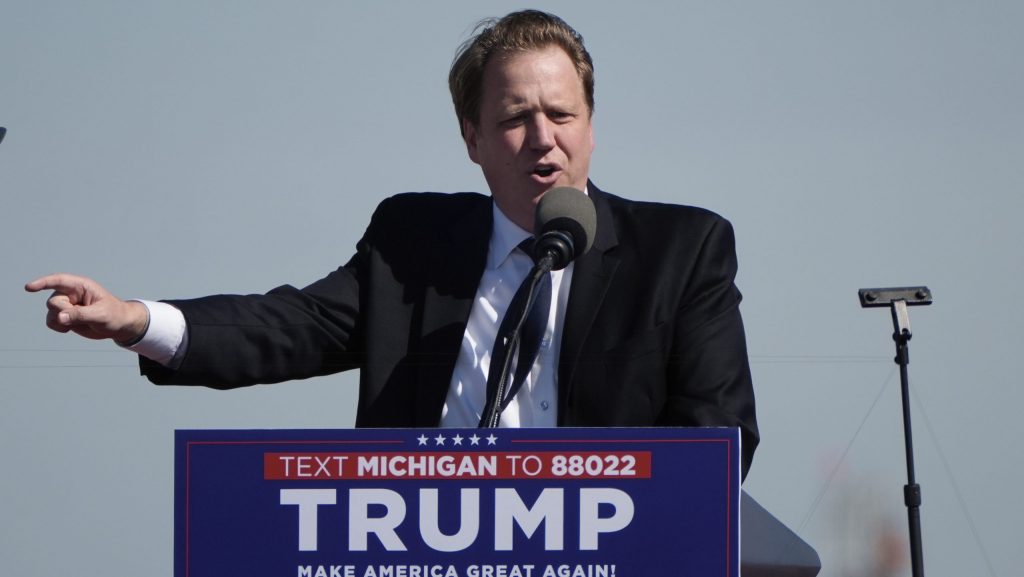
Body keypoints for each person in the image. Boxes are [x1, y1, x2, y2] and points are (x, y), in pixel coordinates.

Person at [25, 10, 759, 476]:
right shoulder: (414, 244)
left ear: (592, 126)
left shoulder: (680, 250)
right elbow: (290, 326)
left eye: (562, 114)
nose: (544, 138)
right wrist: (135, 319)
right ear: (472, 138)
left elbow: (718, 435)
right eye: (515, 118)